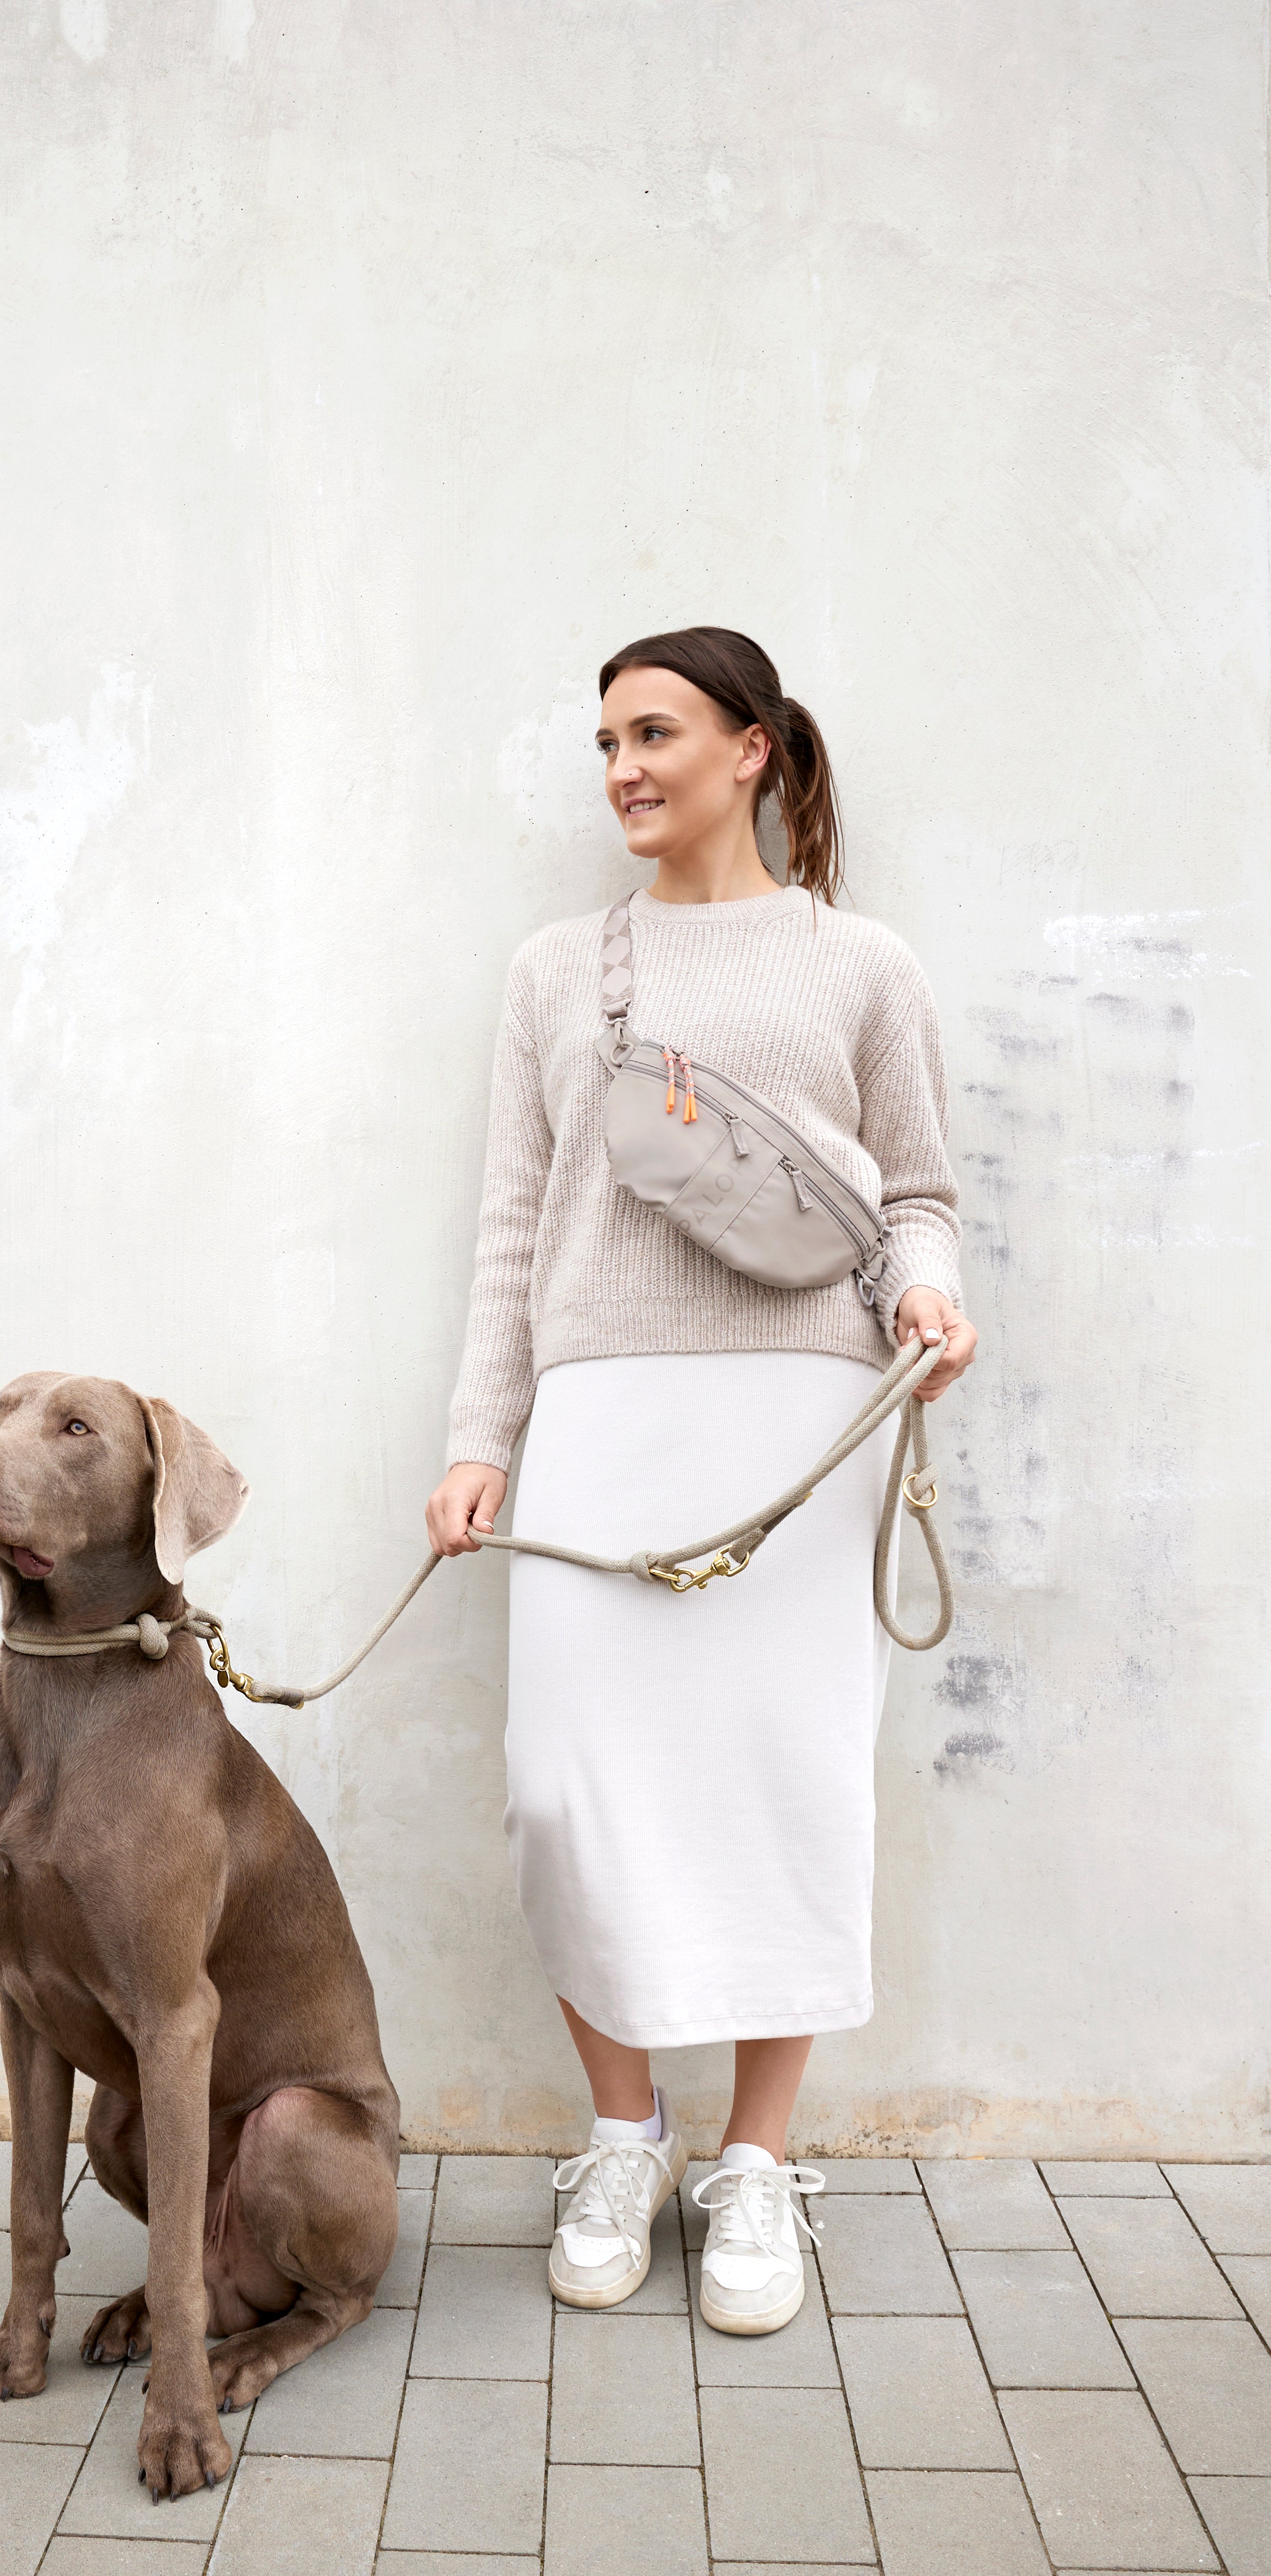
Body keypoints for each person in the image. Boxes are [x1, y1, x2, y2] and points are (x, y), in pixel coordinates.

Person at [428, 627, 976, 2334]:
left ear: (753, 749)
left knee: (781, 1783)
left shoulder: (859, 965)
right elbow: (515, 1223)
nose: (620, 770)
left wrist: (928, 1294)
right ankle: (620, 2129)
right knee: (563, 1787)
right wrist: (478, 1437)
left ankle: (753, 2162)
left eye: (652, 732)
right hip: (603, 1419)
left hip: (798, 1432)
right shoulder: (553, 973)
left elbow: (917, 1192)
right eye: (601, 742)